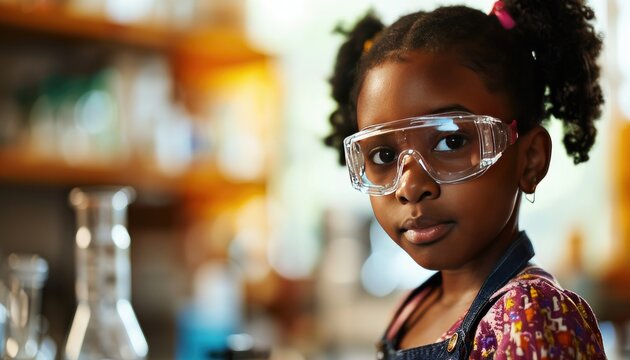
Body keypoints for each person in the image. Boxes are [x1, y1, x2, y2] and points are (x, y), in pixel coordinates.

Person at [324, 0, 606, 358]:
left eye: (451, 141)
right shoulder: (414, 309)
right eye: (383, 156)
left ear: (530, 160)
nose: (410, 187)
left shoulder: (531, 315)